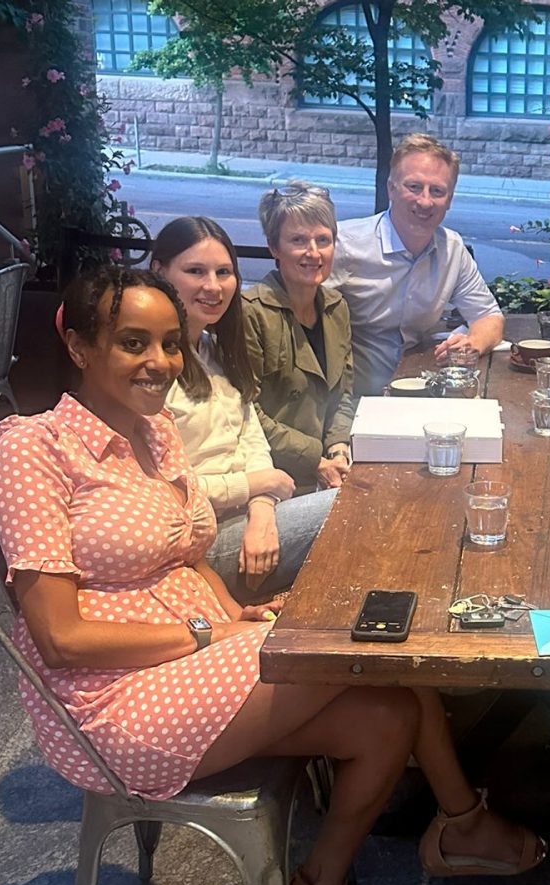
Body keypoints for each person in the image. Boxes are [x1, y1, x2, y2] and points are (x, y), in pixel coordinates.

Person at [0, 267, 544, 885]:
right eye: (132, 343)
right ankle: (461, 821)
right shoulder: (33, 449)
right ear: (78, 343)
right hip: (109, 701)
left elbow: (188, 555)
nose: (159, 363)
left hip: (194, 653)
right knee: (363, 641)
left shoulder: (154, 433)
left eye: (170, 344)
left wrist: (232, 613)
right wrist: (203, 635)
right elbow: (60, 638)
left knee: (389, 710)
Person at [154, 216, 333, 601]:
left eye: (224, 272)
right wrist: (255, 486)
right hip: (194, 544)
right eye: (195, 271)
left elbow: (250, 438)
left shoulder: (216, 350)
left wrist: (263, 509)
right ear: (159, 272)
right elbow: (156, 491)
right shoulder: (151, 371)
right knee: (355, 508)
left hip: (252, 521)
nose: (213, 286)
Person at [330, 134, 505, 396]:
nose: (425, 201)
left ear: (450, 199)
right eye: (414, 187)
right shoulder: (344, 245)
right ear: (391, 188)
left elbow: (489, 316)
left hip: (419, 388)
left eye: (437, 191)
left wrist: (472, 344)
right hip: (351, 397)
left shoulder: (452, 248)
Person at [244, 181, 355, 492]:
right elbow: (246, 413)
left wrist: (338, 449)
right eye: (298, 240)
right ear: (273, 247)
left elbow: (344, 393)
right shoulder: (249, 312)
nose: (313, 252)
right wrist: (316, 461)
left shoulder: (337, 307)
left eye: (323, 239)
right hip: (274, 478)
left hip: (331, 466)